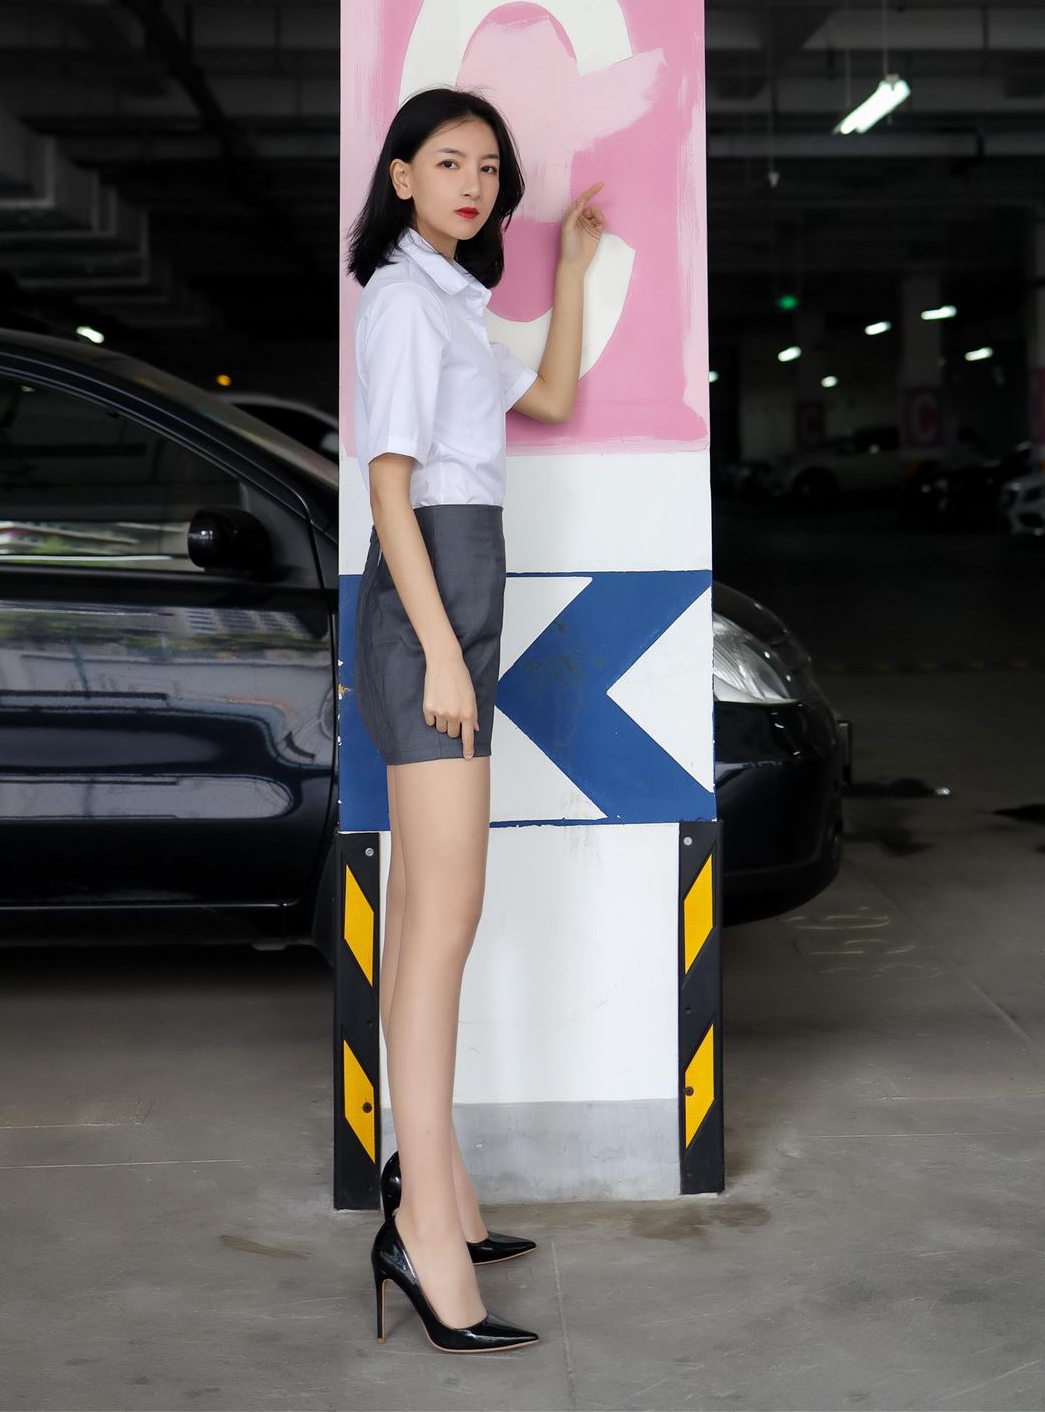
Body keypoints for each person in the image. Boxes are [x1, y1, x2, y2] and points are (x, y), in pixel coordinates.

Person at [344, 84, 604, 1355]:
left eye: (490, 167)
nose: (474, 183)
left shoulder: (450, 300)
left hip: (458, 595)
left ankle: (437, 1189)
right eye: (448, 161)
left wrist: (577, 266)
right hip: (428, 608)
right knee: (444, 925)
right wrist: (442, 647)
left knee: (428, 921)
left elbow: (546, 397)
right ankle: (423, 1231)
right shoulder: (401, 301)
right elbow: (388, 488)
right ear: (400, 175)